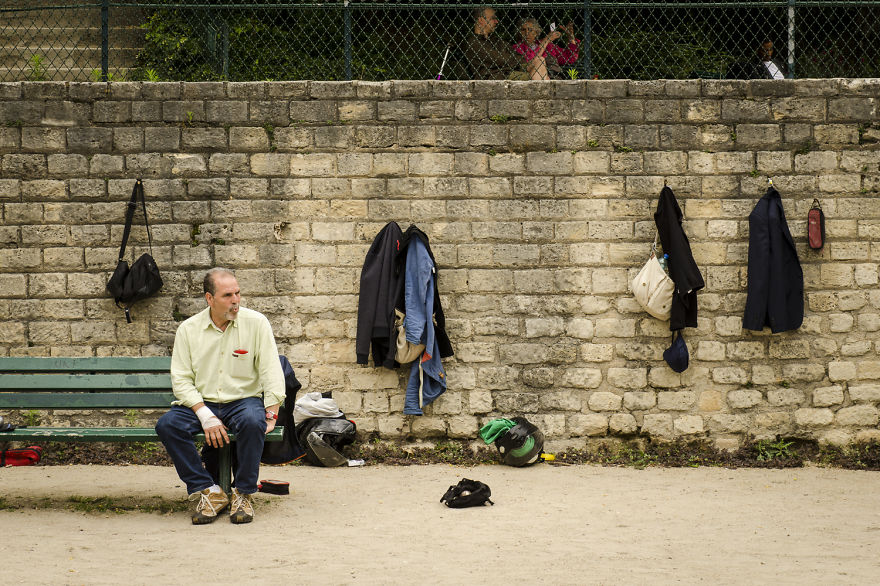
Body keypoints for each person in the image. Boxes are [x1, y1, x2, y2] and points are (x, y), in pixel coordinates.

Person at [155, 267, 285, 525]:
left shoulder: (256, 323)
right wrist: (205, 415)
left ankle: (243, 493)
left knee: (253, 422)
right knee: (167, 425)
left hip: (242, 401)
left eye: (237, 293)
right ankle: (209, 491)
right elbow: (181, 380)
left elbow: (271, 368)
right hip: (201, 402)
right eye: (227, 295)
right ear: (209, 298)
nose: (235, 300)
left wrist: (272, 410)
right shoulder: (188, 329)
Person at [464, 6, 528, 80]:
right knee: (532, 76)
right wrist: (506, 60)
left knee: (537, 63)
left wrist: (505, 61)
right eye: (492, 18)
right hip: (494, 78)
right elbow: (500, 59)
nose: (496, 21)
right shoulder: (473, 43)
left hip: (511, 72)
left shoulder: (497, 40)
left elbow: (520, 58)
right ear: (481, 20)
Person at [513, 18, 581, 80]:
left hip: (555, 78)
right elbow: (531, 61)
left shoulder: (549, 46)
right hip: (536, 79)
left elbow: (570, 58)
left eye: (530, 30)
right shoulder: (517, 48)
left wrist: (570, 37)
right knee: (540, 60)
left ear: (536, 32)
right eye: (523, 30)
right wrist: (547, 40)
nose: (527, 33)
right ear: (519, 32)